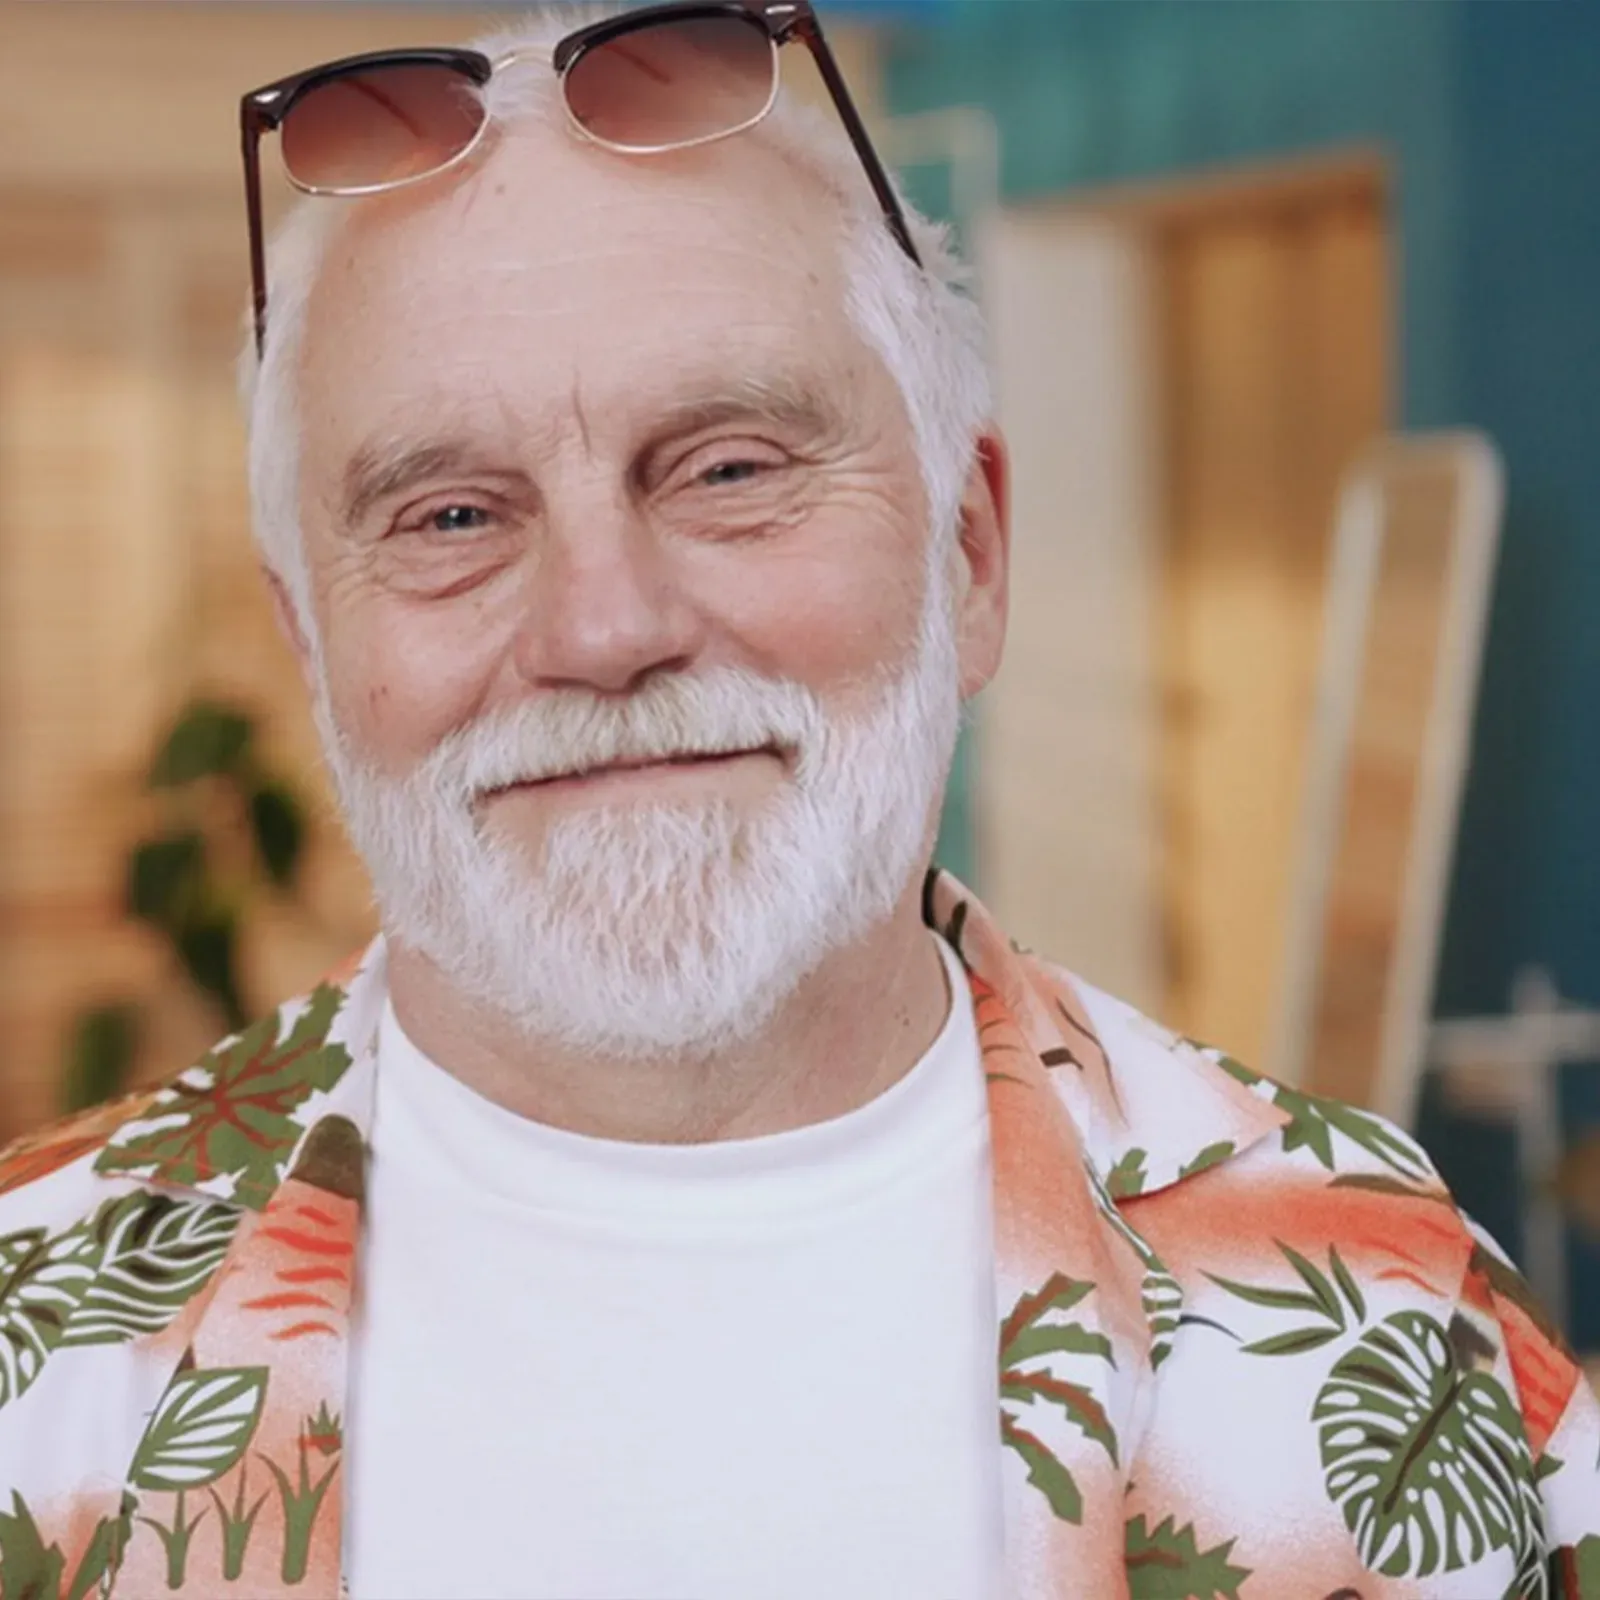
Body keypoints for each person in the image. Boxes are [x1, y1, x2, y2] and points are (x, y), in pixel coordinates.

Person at [1, 5, 1596, 1597]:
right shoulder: (35, 1345)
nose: (604, 631)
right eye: (453, 516)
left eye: (731, 469)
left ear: (969, 554)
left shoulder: (1403, 1333)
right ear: (310, 640)